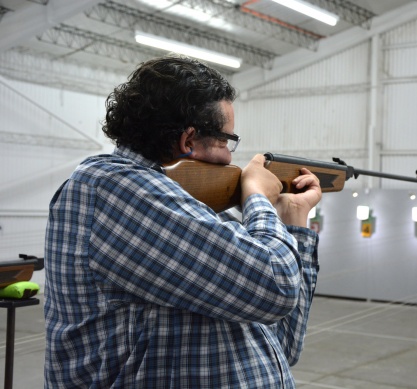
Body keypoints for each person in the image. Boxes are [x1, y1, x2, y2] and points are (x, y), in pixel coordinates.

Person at [44, 55, 322, 388]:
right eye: (226, 139)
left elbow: (284, 345)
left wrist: (293, 219)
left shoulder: (195, 210)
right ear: (188, 140)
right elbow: (277, 286)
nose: (230, 157)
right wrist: (258, 198)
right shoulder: (116, 189)